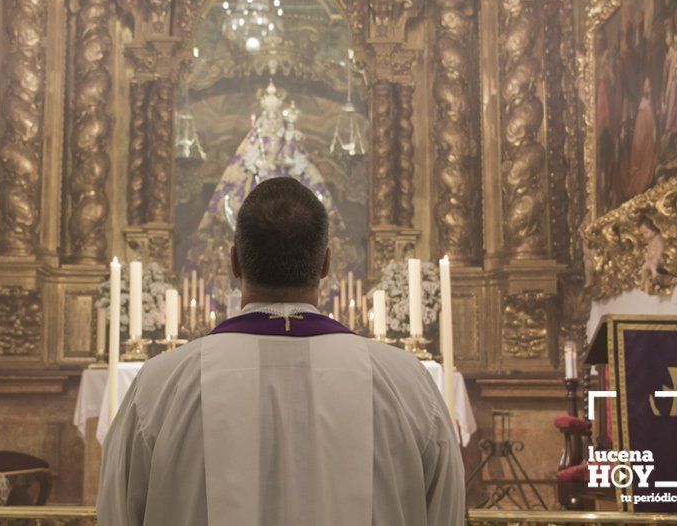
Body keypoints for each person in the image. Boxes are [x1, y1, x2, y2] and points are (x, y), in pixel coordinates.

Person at [98, 177, 465, 526]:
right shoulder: (406, 382)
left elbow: (116, 512)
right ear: (325, 264)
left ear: (234, 263)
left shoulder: (160, 385)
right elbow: (446, 511)